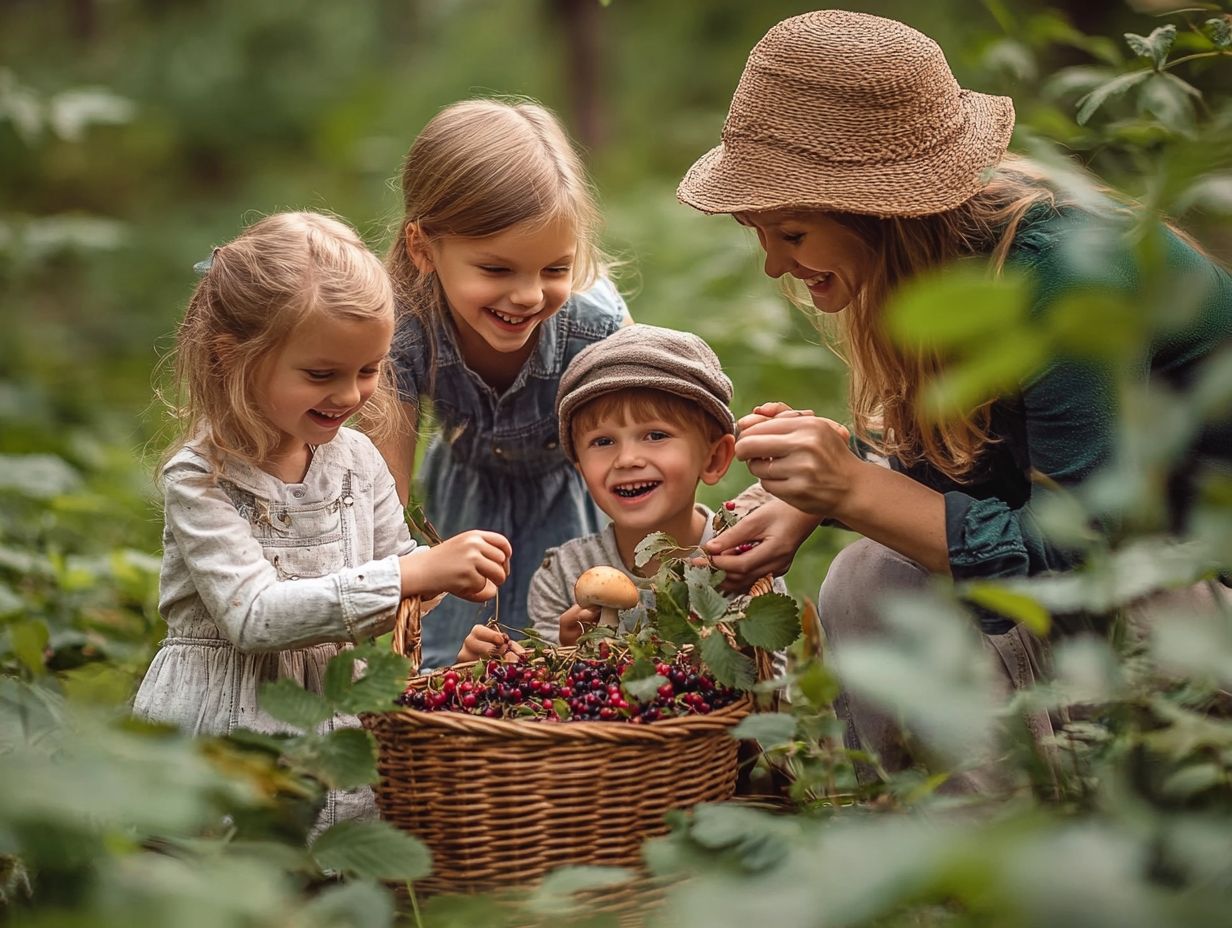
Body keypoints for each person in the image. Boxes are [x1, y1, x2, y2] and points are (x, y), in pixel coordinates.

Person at [675, 10, 1232, 788]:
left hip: (1183, 587)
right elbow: (983, 465)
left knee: (917, 594)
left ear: (881, 214)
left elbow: (1083, 554)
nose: (773, 264)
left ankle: (1020, 859)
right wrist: (827, 492)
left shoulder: (1062, 273)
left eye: (793, 234)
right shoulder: (939, 260)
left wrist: (856, 486)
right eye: (756, 231)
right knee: (867, 577)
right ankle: (942, 847)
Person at [134, 212, 514, 827]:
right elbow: (254, 617)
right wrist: (412, 573)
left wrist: (444, 581)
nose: (350, 395)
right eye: (321, 374)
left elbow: (390, 592)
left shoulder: (357, 461)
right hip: (231, 727)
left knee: (336, 885)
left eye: (368, 370)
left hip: (338, 715)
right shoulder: (201, 478)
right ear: (236, 356)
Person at [378, 98, 630, 669]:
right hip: (465, 507)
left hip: (573, 499)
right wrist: (396, 576)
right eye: (496, 270)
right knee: (457, 664)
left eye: (554, 269)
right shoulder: (403, 330)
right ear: (424, 249)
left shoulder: (592, 324)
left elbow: (642, 439)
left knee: (573, 655)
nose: (528, 296)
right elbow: (384, 495)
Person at [527, 323, 790, 658]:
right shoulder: (563, 574)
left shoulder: (744, 562)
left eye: (656, 435)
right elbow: (544, 698)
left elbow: (771, 686)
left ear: (714, 459)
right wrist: (568, 654)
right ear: (581, 470)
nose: (627, 459)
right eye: (603, 441)